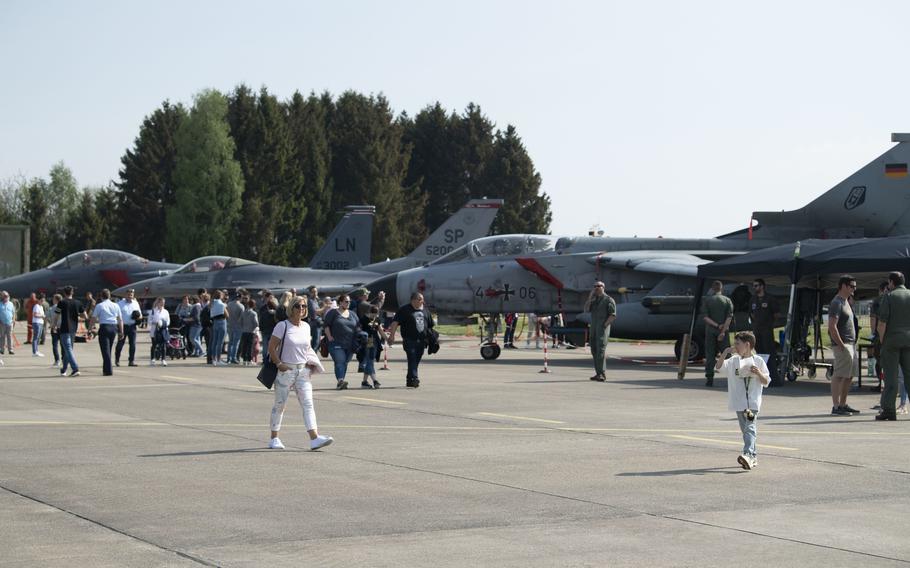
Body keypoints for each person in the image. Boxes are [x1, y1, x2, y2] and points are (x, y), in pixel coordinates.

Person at [268, 297, 333, 451]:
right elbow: (271, 347)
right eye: (298, 305)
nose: (302, 308)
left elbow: (307, 348)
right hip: (285, 371)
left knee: (308, 404)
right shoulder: (282, 326)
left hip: (302, 371)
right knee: (280, 405)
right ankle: (274, 438)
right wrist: (279, 364)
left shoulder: (306, 326)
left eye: (304, 306)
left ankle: (314, 438)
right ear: (291, 308)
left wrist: (312, 365)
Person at [715, 331, 771, 470]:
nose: (735, 347)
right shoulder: (733, 360)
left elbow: (766, 381)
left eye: (737, 344)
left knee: (750, 428)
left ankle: (747, 454)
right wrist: (726, 352)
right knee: (746, 431)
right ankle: (753, 457)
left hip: (752, 404)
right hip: (739, 403)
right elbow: (718, 368)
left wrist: (758, 373)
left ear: (747, 345)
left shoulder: (758, 361)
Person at [875, 271, 910, 421]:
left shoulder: (888, 297)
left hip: (892, 340)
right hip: (908, 339)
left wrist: (882, 341)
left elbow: (882, 323)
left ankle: (889, 409)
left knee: (891, 377)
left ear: (891, 282)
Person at [387, 292, 435, 388]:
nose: (423, 301)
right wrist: (392, 336)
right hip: (409, 340)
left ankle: (409, 380)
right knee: (412, 358)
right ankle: (414, 378)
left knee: (416, 360)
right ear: (413, 300)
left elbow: (430, 325)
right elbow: (395, 323)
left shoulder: (425, 311)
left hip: (422, 340)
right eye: (420, 299)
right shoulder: (404, 310)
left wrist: (432, 338)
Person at [828, 275, 860, 416]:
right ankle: (836, 406)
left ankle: (843, 404)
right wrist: (840, 345)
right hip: (843, 344)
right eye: (852, 286)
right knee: (839, 375)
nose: (854, 289)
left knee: (849, 375)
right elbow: (832, 326)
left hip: (851, 344)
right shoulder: (836, 303)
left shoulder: (846, 301)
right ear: (843, 286)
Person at [749, 279, 782, 386]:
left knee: (770, 353)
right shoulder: (753, 299)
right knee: (760, 354)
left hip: (767, 330)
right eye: (753, 286)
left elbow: (777, 314)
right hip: (757, 330)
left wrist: (769, 323)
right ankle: (762, 378)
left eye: (756, 285)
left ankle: (774, 380)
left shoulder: (770, 299)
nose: (755, 288)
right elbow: (752, 314)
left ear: (762, 286)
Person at [323, 294, 359, 390]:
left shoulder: (352, 314)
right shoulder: (333, 313)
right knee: (340, 361)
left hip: (350, 344)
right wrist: (329, 337)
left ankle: (341, 380)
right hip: (336, 343)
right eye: (346, 301)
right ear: (340, 302)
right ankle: (340, 381)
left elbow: (358, 327)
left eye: (349, 302)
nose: (348, 303)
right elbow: (326, 325)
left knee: (345, 363)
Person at [702, 280, 734, 387]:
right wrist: (723, 330)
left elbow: (706, 318)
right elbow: (729, 317)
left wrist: (716, 325)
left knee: (710, 354)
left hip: (711, 331)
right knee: (727, 354)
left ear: (712, 288)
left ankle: (709, 378)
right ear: (721, 288)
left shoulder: (707, 300)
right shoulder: (727, 300)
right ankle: (732, 377)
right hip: (723, 332)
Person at [584, 281, 616, 382]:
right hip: (593, 329)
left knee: (600, 351)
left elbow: (612, 315)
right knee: (594, 350)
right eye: (595, 286)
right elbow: (586, 309)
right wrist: (590, 298)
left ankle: (602, 374)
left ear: (603, 287)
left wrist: (604, 325)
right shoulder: (594, 300)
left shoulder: (608, 300)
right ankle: (598, 373)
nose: (596, 288)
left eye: (599, 286)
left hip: (602, 330)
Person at [91, 289, 123, 376]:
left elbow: (93, 318)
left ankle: (108, 370)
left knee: (105, 350)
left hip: (104, 327)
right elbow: (120, 319)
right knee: (109, 349)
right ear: (109, 296)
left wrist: (90, 328)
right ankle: (105, 369)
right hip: (113, 327)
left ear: (101, 296)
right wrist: (121, 331)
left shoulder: (99, 305)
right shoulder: (115, 305)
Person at [55, 286, 84, 377]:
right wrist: (78, 316)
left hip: (64, 328)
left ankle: (75, 369)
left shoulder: (61, 302)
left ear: (64, 293)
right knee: (69, 349)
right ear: (72, 293)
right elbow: (85, 316)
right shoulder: (78, 303)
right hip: (73, 329)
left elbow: (56, 314)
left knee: (68, 349)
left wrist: (53, 325)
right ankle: (63, 369)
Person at [359, 305, 384, 388]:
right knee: (370, 360)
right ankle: (375, 380)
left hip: (376, 340)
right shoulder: (363, 320)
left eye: (376, 314)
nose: (375, 316)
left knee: (371, 360)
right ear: (369, 313)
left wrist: (388, 339)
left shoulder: (377, 319)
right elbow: (359, 330)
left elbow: (380, 330)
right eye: (373, 314)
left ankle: (364, 382)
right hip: (368, 340)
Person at [115, 288, 142, 367]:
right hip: (123, 326)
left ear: (133, 295)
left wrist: (138, 318)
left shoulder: (135, 303)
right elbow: (116, 315)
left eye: (131, 294)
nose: (130, 295)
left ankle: (131, 361)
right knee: (120, 344)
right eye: (129, 294)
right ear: (125, 294)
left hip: (132, 326)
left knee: (132, 344)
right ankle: (117, 360)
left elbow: (140, 314)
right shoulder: (120, 304)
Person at [148, 297, 170, 366]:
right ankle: (152, 359)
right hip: (154, 331)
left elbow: (168, 321)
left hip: (163, 330)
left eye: (163, 303)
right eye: (160, 302)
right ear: (157, 303)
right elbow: (149, 321)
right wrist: (155, 322)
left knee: (163, 346)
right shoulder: (153, 311)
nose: (162, 304)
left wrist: (163, 323)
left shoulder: (165, 311)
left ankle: (163, 359)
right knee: (154, 345)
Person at [226, 292, 246, 364]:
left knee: (230, 342)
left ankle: (228, 358)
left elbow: (226, 314)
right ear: (240, 298)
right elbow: (241, 318)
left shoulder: (229, 304)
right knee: (236, 343)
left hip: (230, 325)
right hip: (238, 326)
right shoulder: (241, 306)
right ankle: (233, 358)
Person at [209, 290, 227, 366]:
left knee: (214, 342)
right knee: (220, 342)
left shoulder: (212, 303)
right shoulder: (222, 304)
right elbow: (227, 315)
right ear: (221, 296)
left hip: (215, 322)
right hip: (222, 322)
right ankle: (219, 359)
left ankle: (214, 359)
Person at [239, 299, 259, 365]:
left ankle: (244, 359)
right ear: (253, 305)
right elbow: (256, 323)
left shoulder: (243, 312)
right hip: (251, 332)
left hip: (244, 331)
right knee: (250, 346)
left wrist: (243, 327)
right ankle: (249, 359)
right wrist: (253, 328)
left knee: (244, 345)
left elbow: (240, 321)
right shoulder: (254, 313)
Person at [259, 296, 278, 361]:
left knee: (265, 346)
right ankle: (272, 358)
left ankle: (264, 359)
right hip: (273, 331)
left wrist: (261, 329)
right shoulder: (276, 314)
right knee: (273, 346)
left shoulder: (264, 313)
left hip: (265, 331)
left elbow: (261, 322)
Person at [47, 294, 62, 367]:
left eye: (53, 299)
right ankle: (64, 360)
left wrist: (51, 323)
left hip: (54, 328)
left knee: (55, 345)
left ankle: (57, 360)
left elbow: (47, 317)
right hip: (62, 328)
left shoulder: (52, 308)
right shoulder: (64, 307)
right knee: (63, 345)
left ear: (56, 300)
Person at [30, 292, 46, 357]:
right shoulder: (36, 306)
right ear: (39, 300)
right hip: (36, 323)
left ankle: (36, 350)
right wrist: (42, 316)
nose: (42, 302)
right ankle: (34, 351)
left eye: (43, 301)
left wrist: (43, 317)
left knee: (38, 337)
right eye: (42, 300)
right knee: (36, 337)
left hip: (41, 323)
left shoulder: (41, 307)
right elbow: (35, 314)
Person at [0, 290, 15, 355]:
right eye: (5, 296)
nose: (7, 297)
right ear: (2, 297)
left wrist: (13, 320)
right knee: (2, 336)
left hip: (10, 323)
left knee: (10, 336)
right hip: (2, 323)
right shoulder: (0, 304)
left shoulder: (11, 304)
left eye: (7, 296)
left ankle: (10, 349)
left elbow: (13, 313)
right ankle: (2, 349)